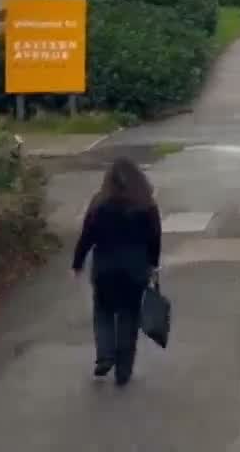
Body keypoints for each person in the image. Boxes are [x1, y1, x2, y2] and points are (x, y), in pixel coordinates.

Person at [72, 157, 162, 385]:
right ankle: (123, 370)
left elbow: (87, 236)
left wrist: (77, 263)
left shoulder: (98, 203)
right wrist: (153, 264)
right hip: (135, 270)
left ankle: (104, 355)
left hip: (104, 269)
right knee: (129, 317)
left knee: (102, 313)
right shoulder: (147, 205)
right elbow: (155, 238)